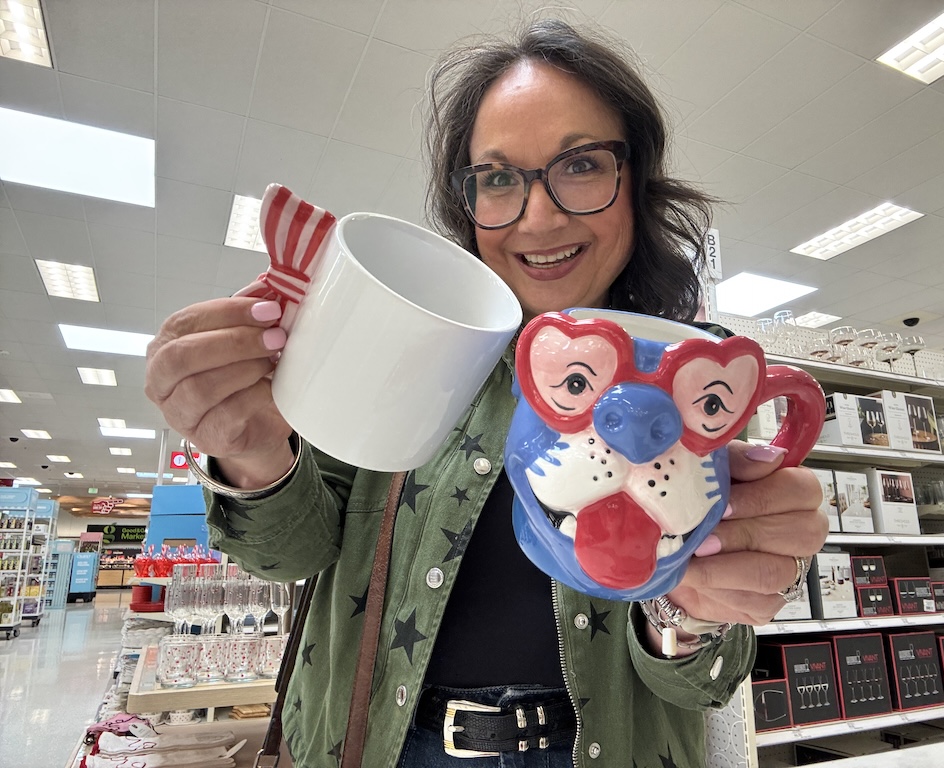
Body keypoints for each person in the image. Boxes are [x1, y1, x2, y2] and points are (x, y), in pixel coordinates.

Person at [144, 18, 826, 768]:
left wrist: (693, 613)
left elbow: (707, 681)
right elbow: (292, 554)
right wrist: (253, 453)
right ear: (467, 202)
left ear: (638, 181)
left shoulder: (696, 383)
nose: (539, 215)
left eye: (582, 165)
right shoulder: (406, 342)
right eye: (498, 178)